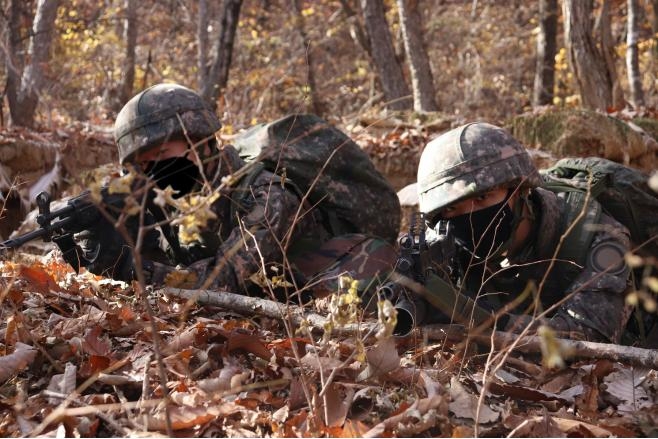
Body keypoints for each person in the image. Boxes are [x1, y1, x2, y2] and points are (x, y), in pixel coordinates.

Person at [75, 83, 398, 295]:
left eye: (161, 155)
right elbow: (176, 258)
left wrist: (134, 270)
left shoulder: (265, 194)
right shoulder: (172, 197)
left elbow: (225, 279)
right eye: (143, 163)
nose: (154, 170)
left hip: (319, 278)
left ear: (199, 143)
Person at [416, 122, 634, 343]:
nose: (469, 217)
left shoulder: (598, 235)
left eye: (482, 197)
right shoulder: (442, 244)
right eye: (452, 208)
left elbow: (590, 338)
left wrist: (482, 318)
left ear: (520, 190)